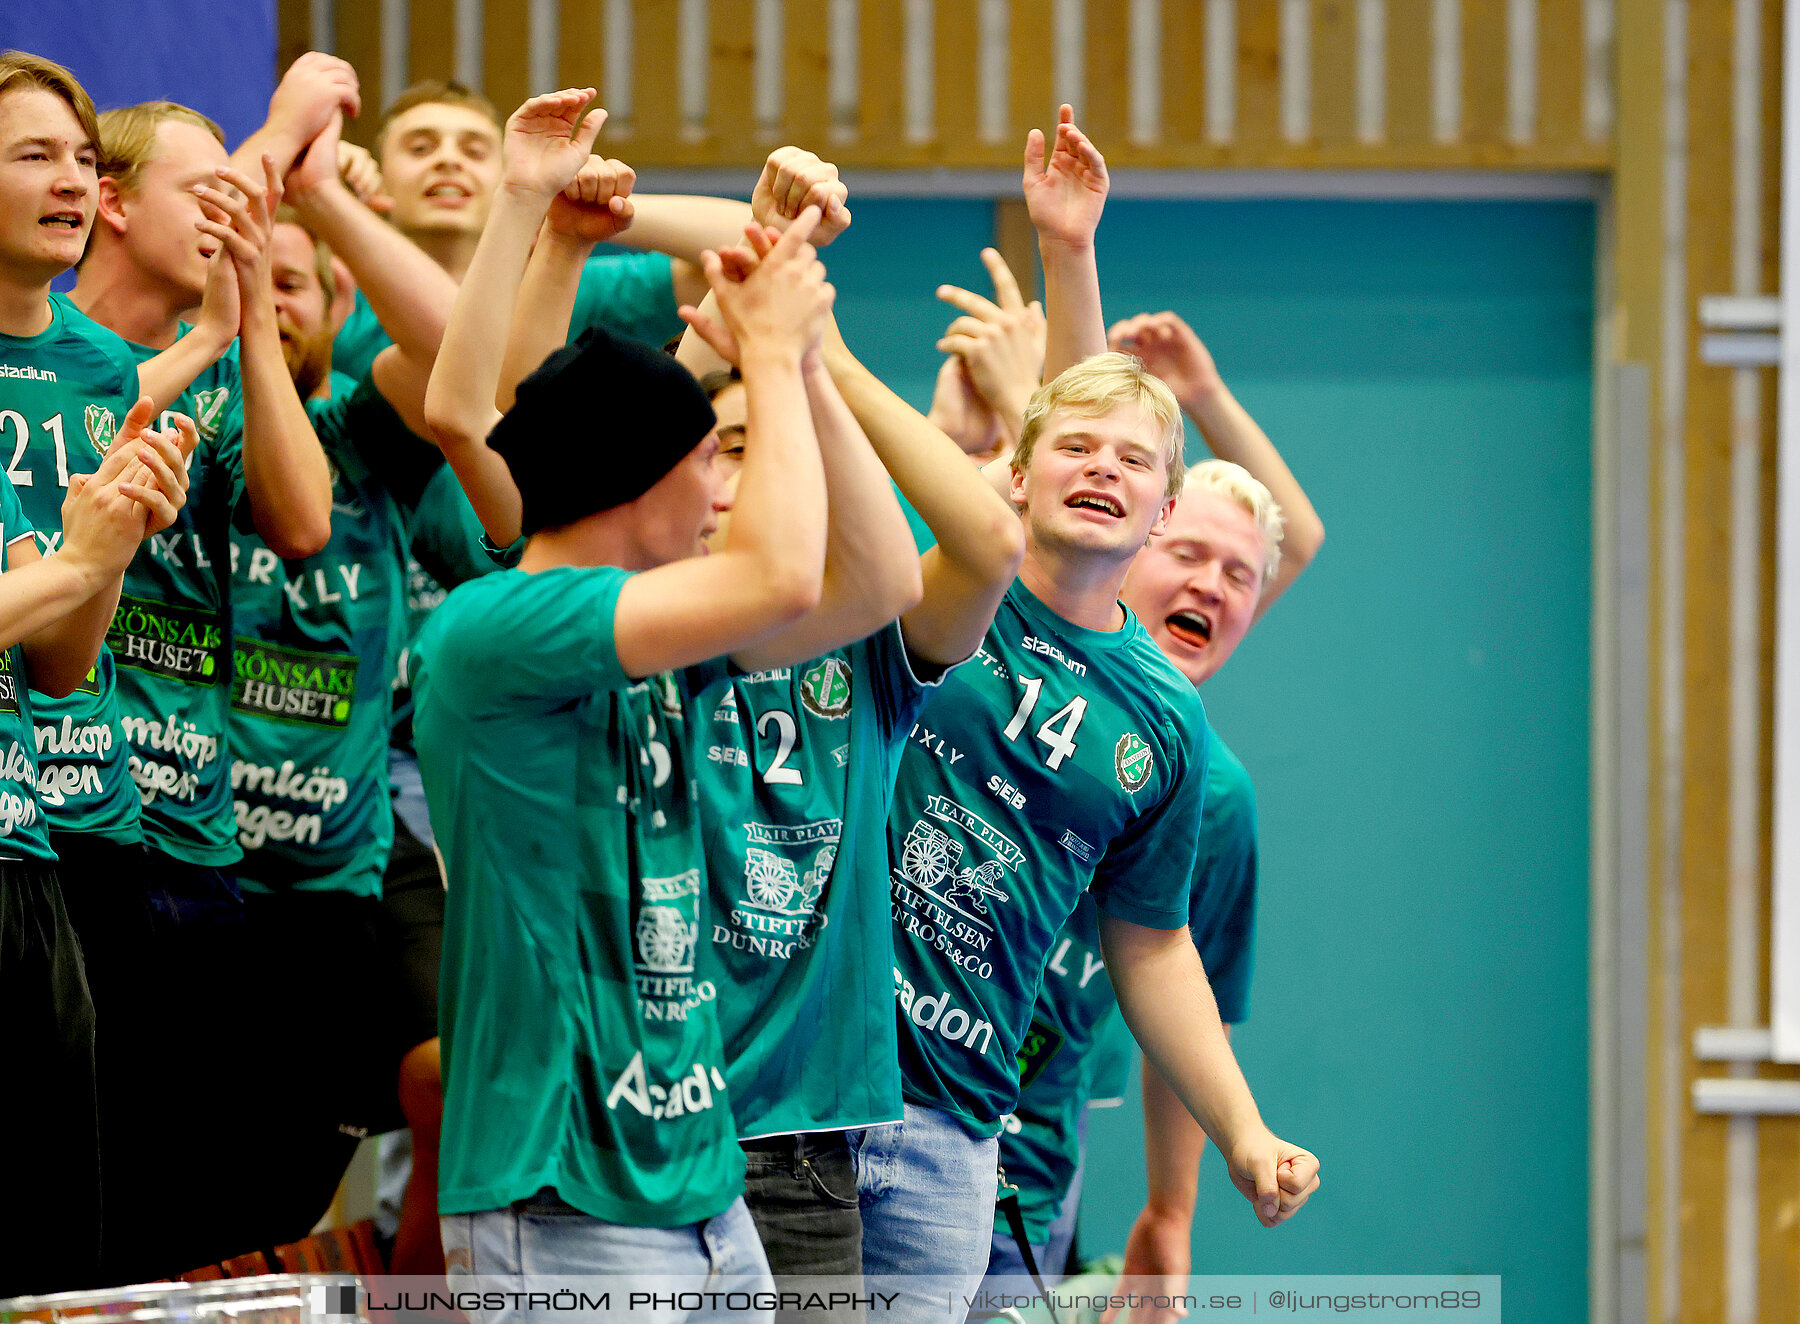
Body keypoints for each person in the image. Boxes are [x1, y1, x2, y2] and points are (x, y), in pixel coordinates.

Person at [856, 107, 1318, 1314]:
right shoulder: (964, 576)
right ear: (1018, 470)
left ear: (1155, 514)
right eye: (1077, 454)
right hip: (812, 1074)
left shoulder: (1171, 736)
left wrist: (1237, 1136)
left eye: (1137, 468)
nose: (1104, 469)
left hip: (977, 1132)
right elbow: (1072, 424)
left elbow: (1161, 949)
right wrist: (1071, 251)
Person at [416, 88, 833, 1321]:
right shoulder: (506, 625)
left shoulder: (638, 625)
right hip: (563, 1189)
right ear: (633, 480)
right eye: (707, 455)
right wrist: (770, 351)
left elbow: (861, 584)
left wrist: (568, 224)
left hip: (692, 1180)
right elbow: (468, 410)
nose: (721, 486)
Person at [656, 160, 1024, 1301]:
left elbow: (986, 544)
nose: (746, 468)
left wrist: (817, 364)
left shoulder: (864, 644)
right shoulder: (636, 628)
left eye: (774, 446)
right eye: (724, 445)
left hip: (810, 1143)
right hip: (652, 1126)